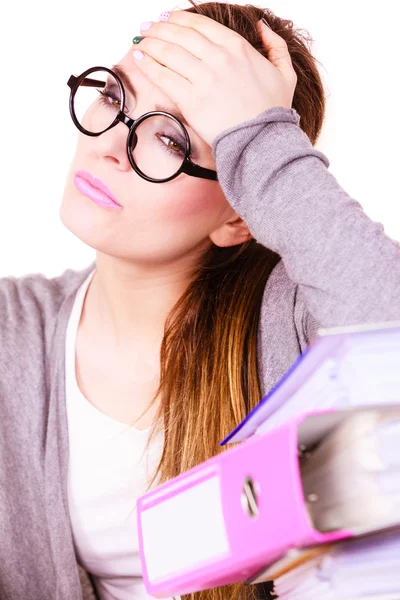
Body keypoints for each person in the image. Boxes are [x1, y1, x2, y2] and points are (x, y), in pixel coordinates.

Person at [0, 1, 399, 599]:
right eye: (113, 97)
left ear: (240, 209)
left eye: (168, 136)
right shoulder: (14, 331)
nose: (110, 143)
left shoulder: (293, 326)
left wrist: (263, 139)